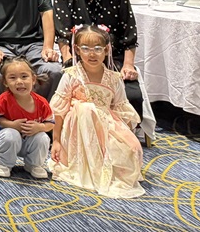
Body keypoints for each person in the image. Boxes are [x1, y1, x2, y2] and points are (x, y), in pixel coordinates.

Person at [50, 24, 143, 197]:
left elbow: (121, 110)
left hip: (106, 124)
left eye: (98, 49)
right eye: (85, 48)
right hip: (79, 126)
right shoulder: (71, 75)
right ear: (77, 50)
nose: (92, 54)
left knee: (132, 149)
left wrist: (124, 136)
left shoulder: (114, 79)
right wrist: (56, 141)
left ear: (107, 50)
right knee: (86, 108)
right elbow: (59, 111)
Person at [53, 0, 142, 115]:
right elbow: (62, 32)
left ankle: (122, 131)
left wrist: (128, 65)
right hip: (79, 57)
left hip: (110, 57)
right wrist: (69, 61)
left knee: (133, 96)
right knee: (78, 98)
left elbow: (129, 32)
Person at [0, 57, 53, 179]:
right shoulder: (4, 99)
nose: (19, 81)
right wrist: (12, 125)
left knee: (42, 137)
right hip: (7, 140)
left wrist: (40, 127)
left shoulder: (42, 102)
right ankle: (4, 163)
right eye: (12, 78)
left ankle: (34, 164)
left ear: (33, 79)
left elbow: (50, 123)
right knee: (11, 135)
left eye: (24, 77)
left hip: (29, 141)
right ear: (5, 82)